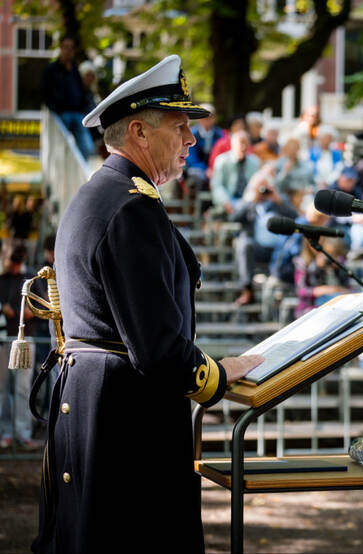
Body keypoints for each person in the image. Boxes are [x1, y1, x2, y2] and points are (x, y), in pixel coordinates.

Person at [34, 55, 263, 553]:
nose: (192, 140)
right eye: (181, 127)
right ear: (139, 131)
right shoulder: (133, 208)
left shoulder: (102, 193)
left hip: (98, 408)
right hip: (128, 425)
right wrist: (220, 374)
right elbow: (159, 350)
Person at [230, 172, 298, 306]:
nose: (263, 191)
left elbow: (295, 217)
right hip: (257, 248)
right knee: (244, 244)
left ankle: (283, 290)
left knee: (292, 244)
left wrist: (278, 200)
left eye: (265, 187)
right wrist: (253, 200)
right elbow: (234, 218)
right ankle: (247, 290)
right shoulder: (248, 202)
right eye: (260, 188)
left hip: (278, 248)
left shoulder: (279, 200)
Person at [0, 246, 36, 450]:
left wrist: (31, 311)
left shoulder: (30, 276)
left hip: (25, 338)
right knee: (3, 389)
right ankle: (6, 432)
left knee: (22, 389)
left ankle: (23, 434)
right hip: (4, 338)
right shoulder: (2, 278)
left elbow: (43, 303)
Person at [40, 36, 96, 159]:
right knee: (61, 148)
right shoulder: (51, 69)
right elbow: (45, 92)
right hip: (61, 114)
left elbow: (81, 91)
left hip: (77, 114)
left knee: (87, 149)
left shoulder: (76, 70)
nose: (68, 51)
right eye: (65, 47)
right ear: (60, 48)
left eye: (71, 48)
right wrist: (55, 109)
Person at [294, 235, 351, 315]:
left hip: (337, 303)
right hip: (312, 307)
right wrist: (326, 289)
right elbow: (301, 291)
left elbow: (347, 287)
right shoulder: (304, 263)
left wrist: (337, 267)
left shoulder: (338, 262)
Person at [210, 130, 260, 213]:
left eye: (246, 143)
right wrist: (225, 202)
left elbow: (255, 185)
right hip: (229, 199)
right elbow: (217, 185)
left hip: (248, 201)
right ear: (232, 144)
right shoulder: (222, 160)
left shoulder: (255, 162)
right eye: (241, 143)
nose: (243, 147)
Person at [185, 103, 222, 190]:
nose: (207, 120)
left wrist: (213, 169)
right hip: (196, 167)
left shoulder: (220, 134)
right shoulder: (192, 134)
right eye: (204, 117)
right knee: (197, 176)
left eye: (210, 117)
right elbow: (191, 157)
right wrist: (206, 170)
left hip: (215, 168)